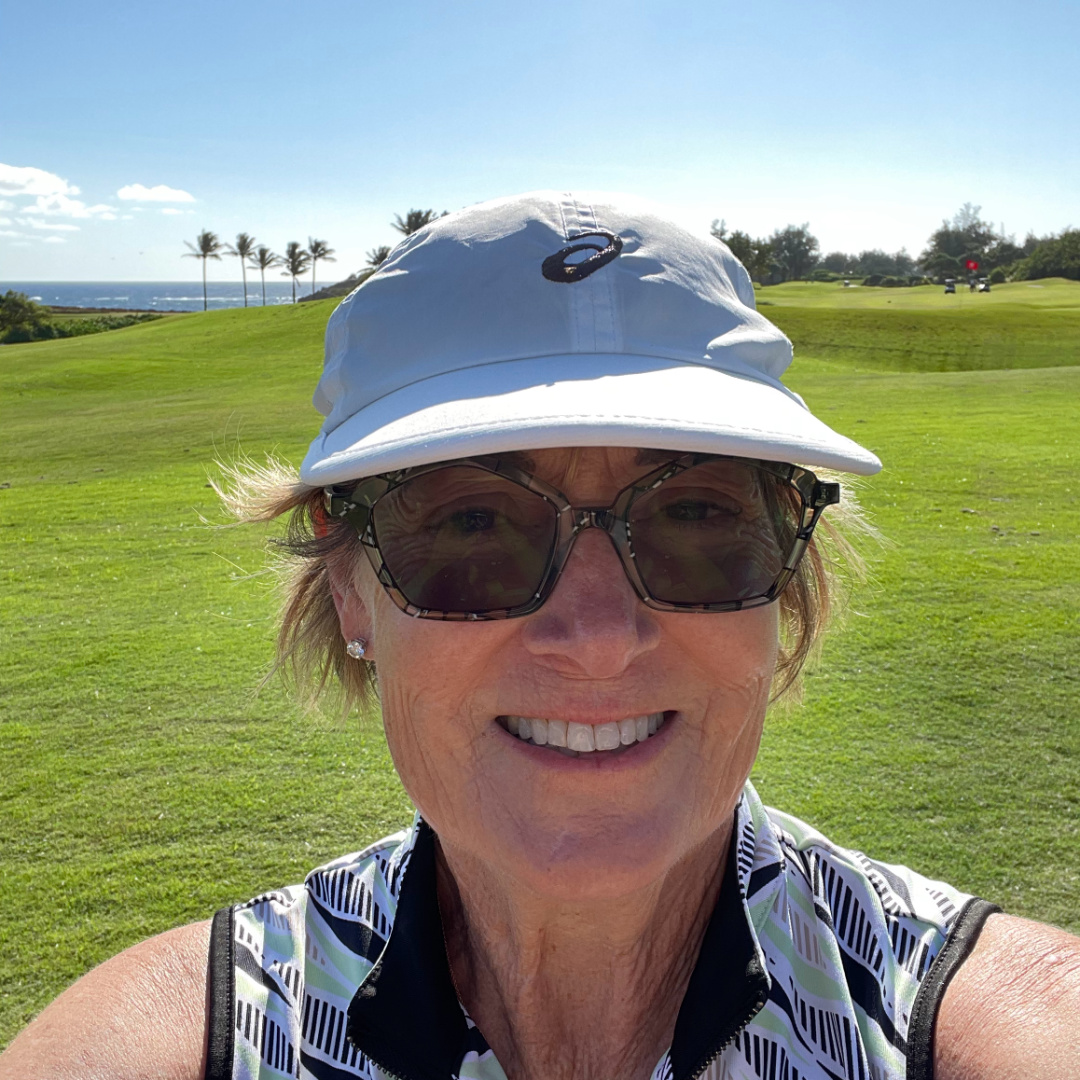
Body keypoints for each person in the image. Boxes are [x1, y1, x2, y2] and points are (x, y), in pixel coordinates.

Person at [2, 192, 1077, 1080]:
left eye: (697, 516)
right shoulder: (181, 1042)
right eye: (472, 525)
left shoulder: (981, 1032)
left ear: (788, 575)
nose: (599, 638)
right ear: (348, 586)